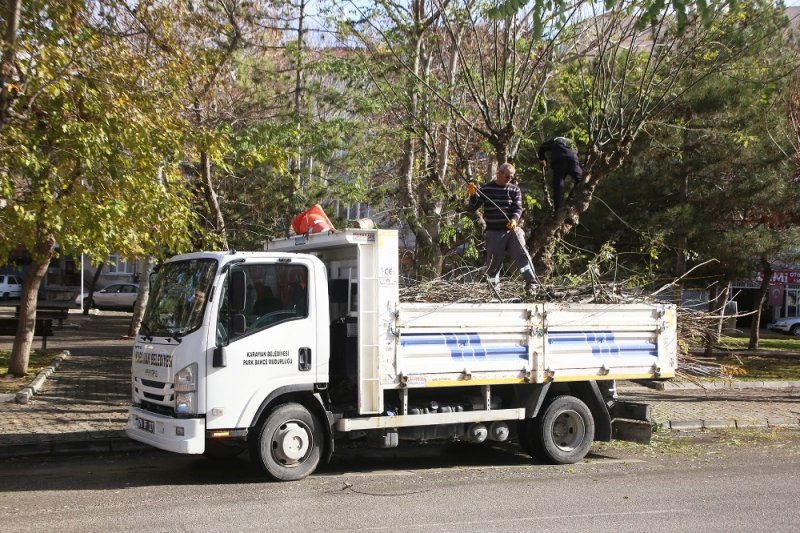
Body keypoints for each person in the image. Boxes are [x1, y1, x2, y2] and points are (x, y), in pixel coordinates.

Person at [467, 162, 537, 294]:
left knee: (522, 255)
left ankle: (531, 285)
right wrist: (472, 195)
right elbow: (474, 207)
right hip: (494, 232)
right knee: (494, 262)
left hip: (512, 230)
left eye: (511, 177)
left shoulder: (514, 190)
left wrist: (514, 220)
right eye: (507, 177)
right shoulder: (486, 189)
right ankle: (494, 290)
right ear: (499, 174)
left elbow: (518, 208)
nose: (510, 179)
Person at [537, 137, 583, 210]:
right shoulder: (571, 143)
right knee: (582, 179)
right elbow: (576, 152)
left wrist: (542, 159)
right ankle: (572, 195)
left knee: (558, 187)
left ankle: (558, 210)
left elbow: (542, 147)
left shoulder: (555, 142)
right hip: (573, 160)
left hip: (560, 160)